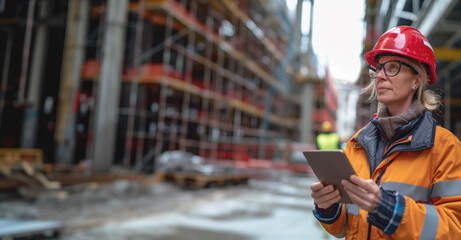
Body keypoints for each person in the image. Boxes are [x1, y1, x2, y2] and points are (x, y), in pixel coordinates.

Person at [310, 25, 461, 239]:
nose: (380, 75)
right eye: (378, 68)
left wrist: (388, 208)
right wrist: (329, 207)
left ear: (417, 79)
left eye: (392, 67)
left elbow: (455, 228)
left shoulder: (446, 148)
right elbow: (344, 227)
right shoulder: (358, 143)